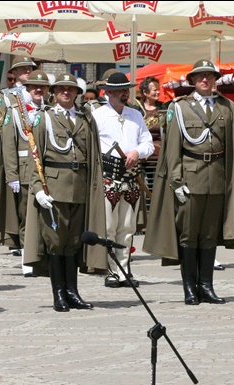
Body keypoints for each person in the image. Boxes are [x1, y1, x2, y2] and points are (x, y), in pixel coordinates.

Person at [144, 59, 234, 304]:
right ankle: (189, 288)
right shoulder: (179, 108)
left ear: (216, 80)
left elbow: (231, 147)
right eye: (201, 76)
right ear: (192, 80)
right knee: (189, 235)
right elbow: (173, 147)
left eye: (210, 76)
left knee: (209, 236)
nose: (206, 80)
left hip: (216, 177)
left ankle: (206, 286)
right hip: (189, 179)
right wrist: (177, 179)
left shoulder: (226, 108)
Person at [24, 73, 107, 312]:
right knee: (55, 243)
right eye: (61, 89)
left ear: (77, 94)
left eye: (71, 90)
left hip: (79, 187)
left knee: (72, 243)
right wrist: (38, 188)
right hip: (54, 187)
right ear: (53, 92)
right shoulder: (44, 118)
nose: (66, 93)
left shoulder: (84, 119)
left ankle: (73, 292)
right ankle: (59, 293)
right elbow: (35, 155)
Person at [92, 71, 154, 288]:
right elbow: (92, 147)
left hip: (130, 177)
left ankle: (124, 270)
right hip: (108, 176)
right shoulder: (97, 116)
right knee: (109, 227)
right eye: (118, 90)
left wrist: (137, 152)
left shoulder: (136, 115)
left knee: (127, 227)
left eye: (125, 89)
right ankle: (110, 271)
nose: (123, 93)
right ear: (107, 92)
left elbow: (148, 144)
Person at [0, 69, 51, 277]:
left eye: (43, 87)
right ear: (27, 89)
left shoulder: (50, 110)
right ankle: (27, 259)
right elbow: (8, 144)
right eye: (34, 87)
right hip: (24, 169)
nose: (39, 90)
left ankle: (44, 256)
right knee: (26, 217)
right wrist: (12, 175)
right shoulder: (16, 111)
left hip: (47, 170)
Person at [137, 75, 167, 141]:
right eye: (155, 90)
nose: (158, 92)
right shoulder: (137, 109)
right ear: (145, 92)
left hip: (160, 147)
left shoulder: (164, 107)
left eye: (158, 90)